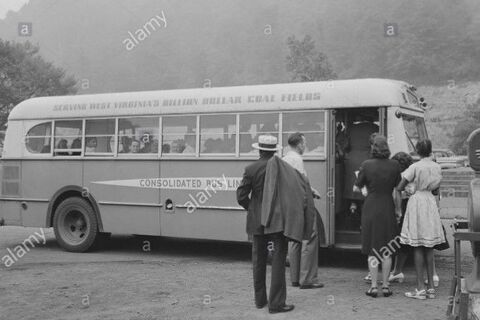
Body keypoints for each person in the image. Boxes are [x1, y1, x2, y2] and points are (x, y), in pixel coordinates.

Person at [236, 135, 294, 314]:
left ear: (259, 150)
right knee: (278, 259)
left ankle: (260, 300)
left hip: (257, 220)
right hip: (276, 220)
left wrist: (252, 208)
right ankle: (276, 303)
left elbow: (241, 196)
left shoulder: (251, 168)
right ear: (274, 150)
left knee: (258, 260)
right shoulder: (282, 168)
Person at [353, 134, 401, 298]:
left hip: (371, 206)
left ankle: (373, 287)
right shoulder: (395, 165)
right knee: (387, 249)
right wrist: (398, 210)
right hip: (387, 205)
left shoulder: (366, 165)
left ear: (373, 148)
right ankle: (386, 286)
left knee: (373, 249)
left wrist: (366, 190)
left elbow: (356, 188)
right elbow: (398, 189)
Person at [397, 139, 445, 300]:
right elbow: (436, 190)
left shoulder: (415, 167)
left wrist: (411, 189)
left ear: (417, 151)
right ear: (430, 150)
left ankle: (420, 288)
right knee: (429, 245)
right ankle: (431, 287)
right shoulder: (436, 166)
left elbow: (400, 186)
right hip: (430, 202)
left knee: (417, 245)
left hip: (417, 201)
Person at [283, 132, 324, 289]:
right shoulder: (298, 160)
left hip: (290, 203)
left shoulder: (285, 158)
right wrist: (310, 198)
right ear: (299, 144)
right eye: (304, 143)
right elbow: (302, 183)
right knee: (310, 237)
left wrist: (312, 189)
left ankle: (295, 278)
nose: (305, 146)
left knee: (295, 239)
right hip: (301, 204)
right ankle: (307, 279)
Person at [344, 114, 379, 218]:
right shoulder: (376, 128)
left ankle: (353, 203)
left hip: (352, 159)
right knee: (366, 187)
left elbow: (346, 145)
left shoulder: (352, 128)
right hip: (368, 158)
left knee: (352, 182)